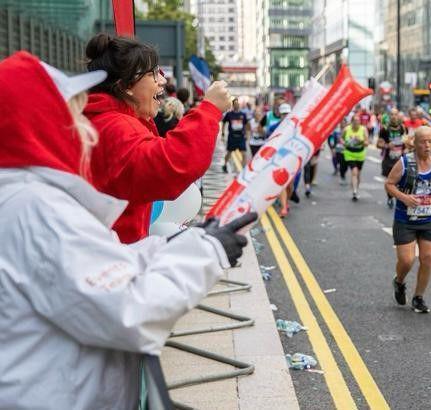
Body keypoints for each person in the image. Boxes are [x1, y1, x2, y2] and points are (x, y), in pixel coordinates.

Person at [0, 51, 257, 409]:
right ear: (41, 123)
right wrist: (207, 252)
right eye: (72, 115)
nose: (83, 127)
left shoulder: (26, 200)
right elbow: (131, 311)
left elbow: (105, 262)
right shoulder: (36, 209)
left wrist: (189, 242)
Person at [83, 33, 231, 244]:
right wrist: (210, 110)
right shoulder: (116, 126)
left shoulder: (107, 119)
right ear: (125, 86)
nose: (162, 80)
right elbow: (173, 164)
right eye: (153, 73)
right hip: (116, 256)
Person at [385, 126, 431, 313]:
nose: (428, 145)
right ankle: (399, 282)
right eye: (424, 141)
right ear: (415, 143)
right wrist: (404, 198)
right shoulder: (405, 162)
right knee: (407, 260)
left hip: (428, 218)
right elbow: (389, 184)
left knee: (428, 258)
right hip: (405, 219)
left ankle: (418, 297)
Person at [378, 115, 408, 208]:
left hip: (400, 159)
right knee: (389, 181)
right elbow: (378, 144)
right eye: (392, 115)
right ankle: (390, 197)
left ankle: (399, 197)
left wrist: (406, 148)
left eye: (396, 115)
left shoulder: (403, 128)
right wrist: (387, 145)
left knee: (401, 180)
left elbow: (407, 141)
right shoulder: (384, 130)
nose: (394, 117)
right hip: (388, 159)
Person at [342, 115, 369, 201]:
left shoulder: (363, 129)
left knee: (358, 174)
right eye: (355, 121)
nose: (356, 123)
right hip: (349, 153)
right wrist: (345, 142)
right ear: (352, 122)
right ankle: (354, 191)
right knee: (354, 172)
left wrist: (360, 141)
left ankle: (356, 189)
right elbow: (341, 139)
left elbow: (367, 143)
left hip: (360, 154)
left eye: (358, 121)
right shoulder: (346, 129)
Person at [222, 98, 249, 172]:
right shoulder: (229, 114)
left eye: (238, 104)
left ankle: (244, 169)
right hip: (232, 136)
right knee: (229, 152)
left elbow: (246, 125)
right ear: (233, 105)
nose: (237, 105)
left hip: (241, 137)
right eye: (235, 104)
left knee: (244, 153)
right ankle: (224, 164)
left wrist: (246, 134)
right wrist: (223, 132)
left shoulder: (243, 114)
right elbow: (224, 122)